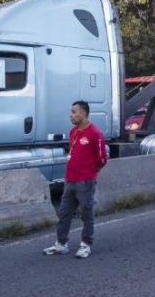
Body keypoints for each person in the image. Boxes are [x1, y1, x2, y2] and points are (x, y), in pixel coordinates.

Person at [44, 100, 108, 259]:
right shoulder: (73, 132)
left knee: (86, 214)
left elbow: (102, 159)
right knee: (64, 213)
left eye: (74, 112)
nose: (71, 115)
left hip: (85, 181)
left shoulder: (95, 133)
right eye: (71, 112)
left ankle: (86, 244)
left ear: (84, 113)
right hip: (70, 180)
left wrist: (90, 173)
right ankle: (61, 244)